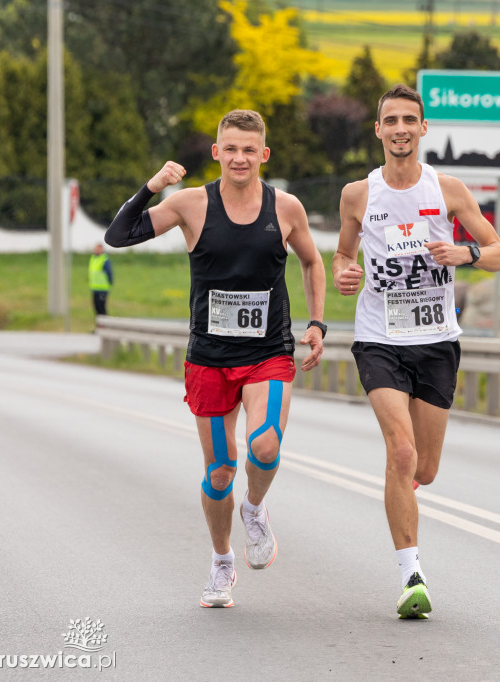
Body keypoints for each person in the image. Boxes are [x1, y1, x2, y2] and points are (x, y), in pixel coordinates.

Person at [104, 109, 327, 608]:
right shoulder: (189, 204)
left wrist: (315, 322)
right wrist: (151, 186)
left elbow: (313, 261)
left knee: (265, 446)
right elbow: (118, 236)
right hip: (208, 357)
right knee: (220, 469)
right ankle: (222, 561)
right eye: (231, 149)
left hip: (267, 352)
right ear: (216, 153)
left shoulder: (285, 208)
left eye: (250, 150)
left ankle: (255, 508)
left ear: (263, 155)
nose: (240, 158)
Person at [332, 84, 500, 619]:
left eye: (410, 119)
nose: (401, 129)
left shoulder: (448, 189)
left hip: (436, 340)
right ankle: (410, 572)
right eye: (391, 120)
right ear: (379, 131)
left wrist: (466, 252)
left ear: (423, 128)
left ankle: (400, 492)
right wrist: (345, 273)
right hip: (379, 338)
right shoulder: (357, 195)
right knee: (401, 452)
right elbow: (343, 254)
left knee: (425, 469)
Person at [88, 243, 113, 317]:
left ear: (102, 250)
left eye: (98, 249)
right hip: (94, 288)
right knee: (96, 308)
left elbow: (109, 273)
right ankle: (99, 327)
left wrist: (110, 283)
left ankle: (105, 327)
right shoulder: (93, 258)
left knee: (101, 309)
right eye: (95, 249)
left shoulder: (104, 259)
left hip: (102, 288)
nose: (96, 251)